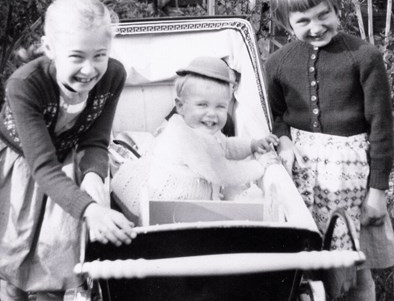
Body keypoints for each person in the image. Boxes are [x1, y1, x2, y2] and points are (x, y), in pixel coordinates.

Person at [265, 0, 394, 301]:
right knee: (302, 265)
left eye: (323, 14)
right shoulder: (277, 63)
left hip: (349, 178)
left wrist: (378, 191)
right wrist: (282, 139)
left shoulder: (363, 57)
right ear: (285, 22)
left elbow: (381, 128)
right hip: (302, 177)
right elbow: (275, 114)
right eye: (303, 21)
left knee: (355, 265)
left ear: (337, 7)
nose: (315, 26)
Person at [0, 0, 137, 301]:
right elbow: (43, 167)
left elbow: (96, 140)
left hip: (65, 158)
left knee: (61, 246)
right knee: (17, 247)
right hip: (23, 162)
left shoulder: (113, 75)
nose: (89, 69)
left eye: (99, 55)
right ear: (50, 49)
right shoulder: (24, 86)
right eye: (77, 56)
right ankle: (13, 293)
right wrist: (90, 209)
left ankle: (59, 292)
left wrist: (92, 173)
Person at [111, 56, 280, 218]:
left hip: (187, 204)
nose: (212, 114)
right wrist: (259, 166)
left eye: (220, 106)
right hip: (163, 204)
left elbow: (225, 146)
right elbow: (221, 172)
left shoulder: (202, 129)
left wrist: (252, 145)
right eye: (202, 105)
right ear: (180, 106)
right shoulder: (182, 135)